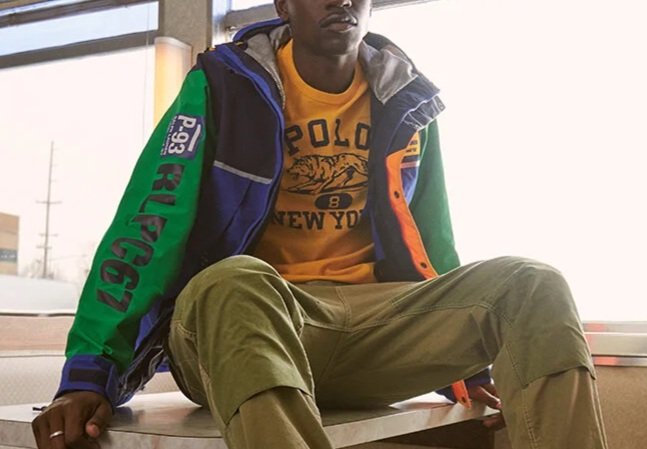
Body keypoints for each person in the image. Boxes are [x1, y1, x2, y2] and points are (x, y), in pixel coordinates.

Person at [32, 0, 609, 447]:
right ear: (283, 5)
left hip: (373, 328)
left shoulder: (406, 100)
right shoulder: (222, 86)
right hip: (247, 325)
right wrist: (88, 375)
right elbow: (147, 225)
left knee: (534, 282)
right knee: (234, 279)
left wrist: (469, 361)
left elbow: (431, 242)